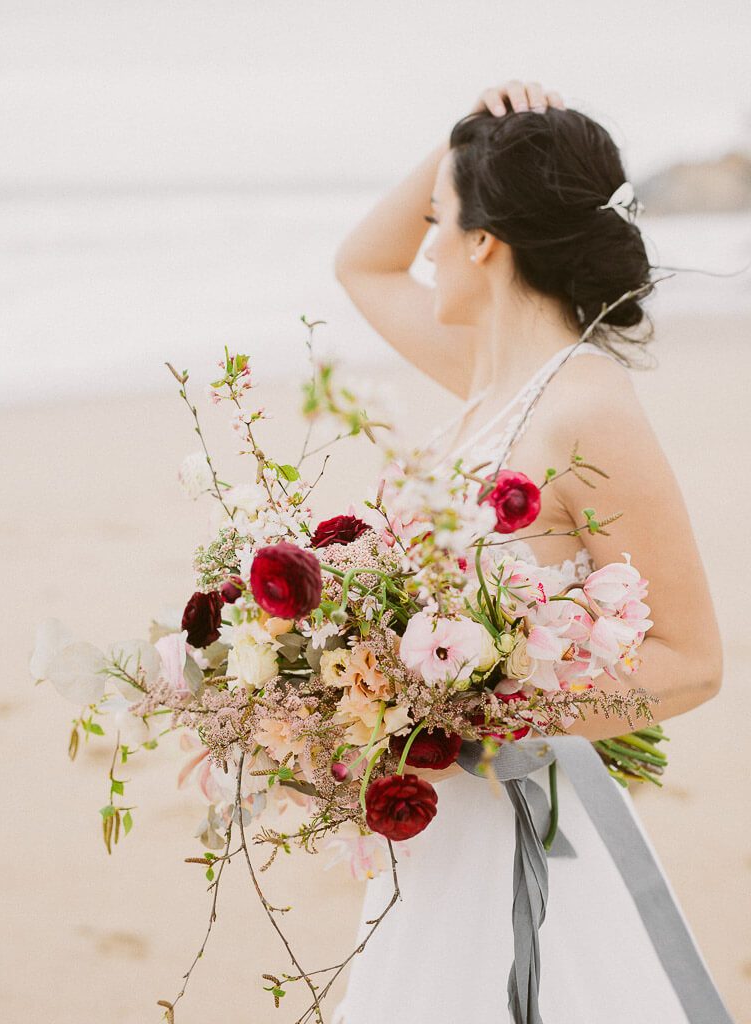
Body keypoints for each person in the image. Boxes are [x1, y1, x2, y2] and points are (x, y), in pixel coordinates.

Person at [329, 80, 729, 1023]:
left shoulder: (587, 407)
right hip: (439, 828)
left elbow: (693, 659)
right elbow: (361, 263)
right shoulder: (492, 378)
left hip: (524, 822)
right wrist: (463, 137)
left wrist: (480, 713)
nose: (425, 243)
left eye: (443, 217)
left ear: (483, 242)